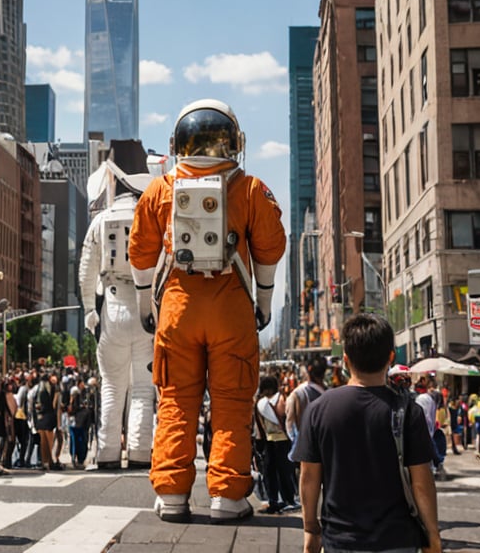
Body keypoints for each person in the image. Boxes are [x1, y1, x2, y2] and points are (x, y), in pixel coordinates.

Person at [129, 99, 286, 523]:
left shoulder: (159, 190)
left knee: (177, 401)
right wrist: (265, 303)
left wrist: (148, 305)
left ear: (177, 142)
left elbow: (140, 253)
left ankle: (173, 494)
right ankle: (227, 496)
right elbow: (270, 248)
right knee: (232, 403)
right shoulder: (250, 188)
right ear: (235, 141)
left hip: (177, 309)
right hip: (232, 305)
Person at [293, 313, 439, 553]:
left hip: (341, 540)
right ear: (390, 358)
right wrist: (432, 534)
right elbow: (421, 482)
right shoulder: (408, 410)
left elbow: (309, 478)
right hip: (398, 539)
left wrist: (311, 529)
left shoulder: (318, 409)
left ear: (346, 359)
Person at [78, 168, 156, 470]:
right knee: (141, 390)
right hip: (144, 308)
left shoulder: (100, 221)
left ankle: (108, 451)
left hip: (111, 306)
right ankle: (138, 451)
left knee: (111, 385)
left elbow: (86, 270)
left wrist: (89, 309)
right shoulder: (149, 217)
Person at [254, 375, 297, 514]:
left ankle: (273, 500)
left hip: (269, 442)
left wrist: (258, 445)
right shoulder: (283, 400)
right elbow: (290, 420)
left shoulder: (260, 404)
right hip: (284, 440)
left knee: (269, 472)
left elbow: (259, 427)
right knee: (285, 472)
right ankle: (288, 499)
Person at [286, 357, 327, 454]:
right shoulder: (330, 392)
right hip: (325, 446)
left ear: (308, 369)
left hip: (306, 448)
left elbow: (290, 422)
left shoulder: (298, 393)